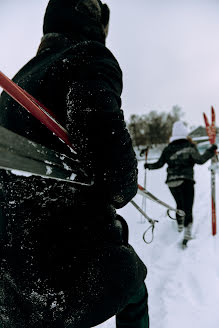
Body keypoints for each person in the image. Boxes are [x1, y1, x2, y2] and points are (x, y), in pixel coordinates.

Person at [0, 1, 149, 327]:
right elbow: (117, 180)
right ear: (91, 22)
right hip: (66, 269)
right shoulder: (89, 58)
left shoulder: (17, 82)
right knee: (133, 285)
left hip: (9, 282)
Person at [144, 120, 217, 242]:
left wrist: (148, 166)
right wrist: (211, 150)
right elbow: (200, 160)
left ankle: (179, 226)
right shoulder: (189, 147)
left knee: (179, 205)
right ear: (185, 133)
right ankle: (187, 232)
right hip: (186, 181)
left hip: (171, 182)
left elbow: (159, 164)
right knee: (188, 207)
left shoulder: (168, 148)